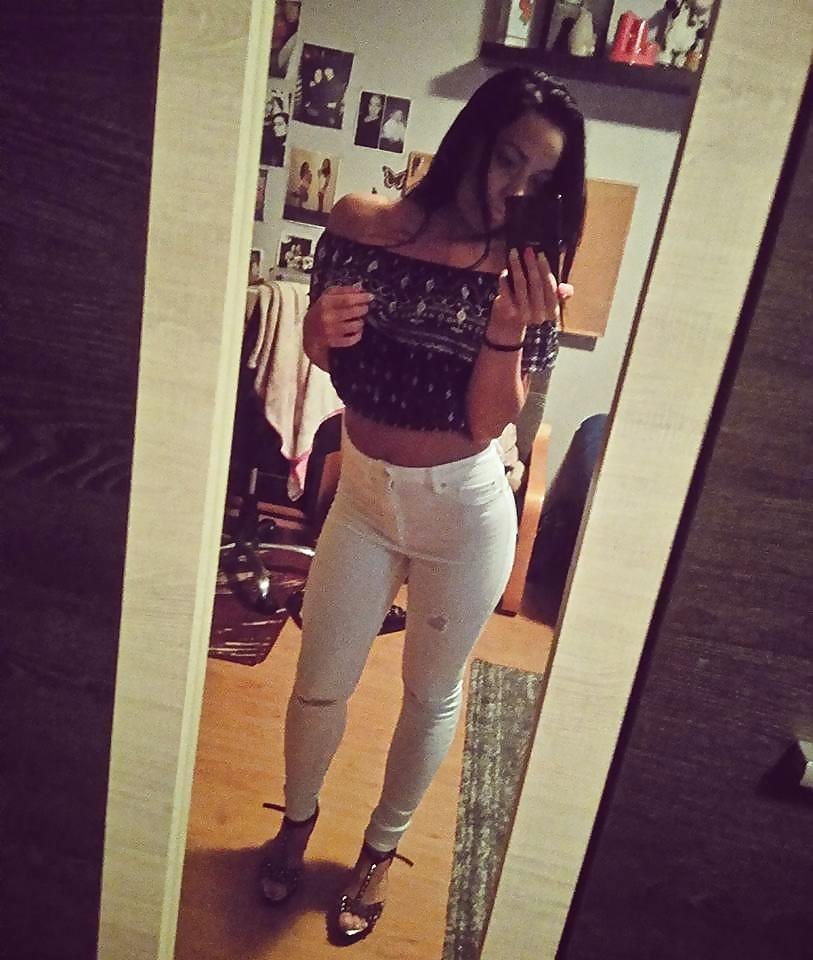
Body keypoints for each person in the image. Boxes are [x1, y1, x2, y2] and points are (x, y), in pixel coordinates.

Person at [258, 67, 586, 945]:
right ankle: (294, 824)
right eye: (507, 158)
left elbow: (486, 424)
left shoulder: (530, 278)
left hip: (462, 514)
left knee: (429, 695)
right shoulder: (359, 224)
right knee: (318, 684)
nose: (516, 189)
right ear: (469, 140)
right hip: (363, 498)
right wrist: (315, 333)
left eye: (541, 177)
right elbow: (333, 360)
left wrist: (508, 328)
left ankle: (378, 852)